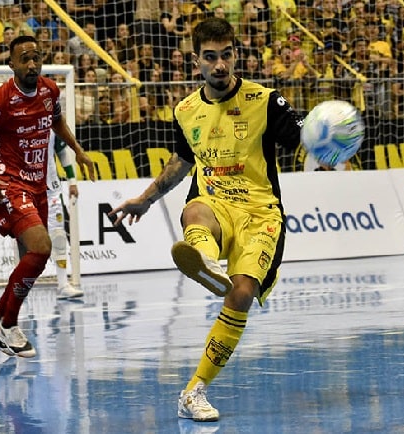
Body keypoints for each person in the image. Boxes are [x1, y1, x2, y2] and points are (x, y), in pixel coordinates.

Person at [109, 17, 303, 421]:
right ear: (195, 60)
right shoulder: (186, 110)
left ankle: (194, 391)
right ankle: (206, 261)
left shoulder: (266, 101)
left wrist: (325, 139)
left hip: (261, 212)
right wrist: (145, 200)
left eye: (226, 56)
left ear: (236, 54)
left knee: (242, 295)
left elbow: (300, 138)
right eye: (210, 57)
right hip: (214, 201)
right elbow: (182, 163)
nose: (219, 65)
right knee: (194, 209)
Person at [0, 35, 95, 358]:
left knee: (30, 260)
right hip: (9, 184)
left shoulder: (50, 90)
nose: (32, 64)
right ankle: (8, 325)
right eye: (24, 59)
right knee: (42, 247)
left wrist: (77, 150)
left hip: (39, 188)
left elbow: (57, 121)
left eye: (36, 57)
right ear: (12, 64)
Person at [46, 132, 83, 300]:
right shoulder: (15, 119)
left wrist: (72, 181)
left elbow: (61, 151)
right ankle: (21, 289)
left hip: (51, 190)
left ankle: (63, 284)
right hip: (25, 190)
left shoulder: (51, 123)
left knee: (59, 237)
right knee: (25, 240)